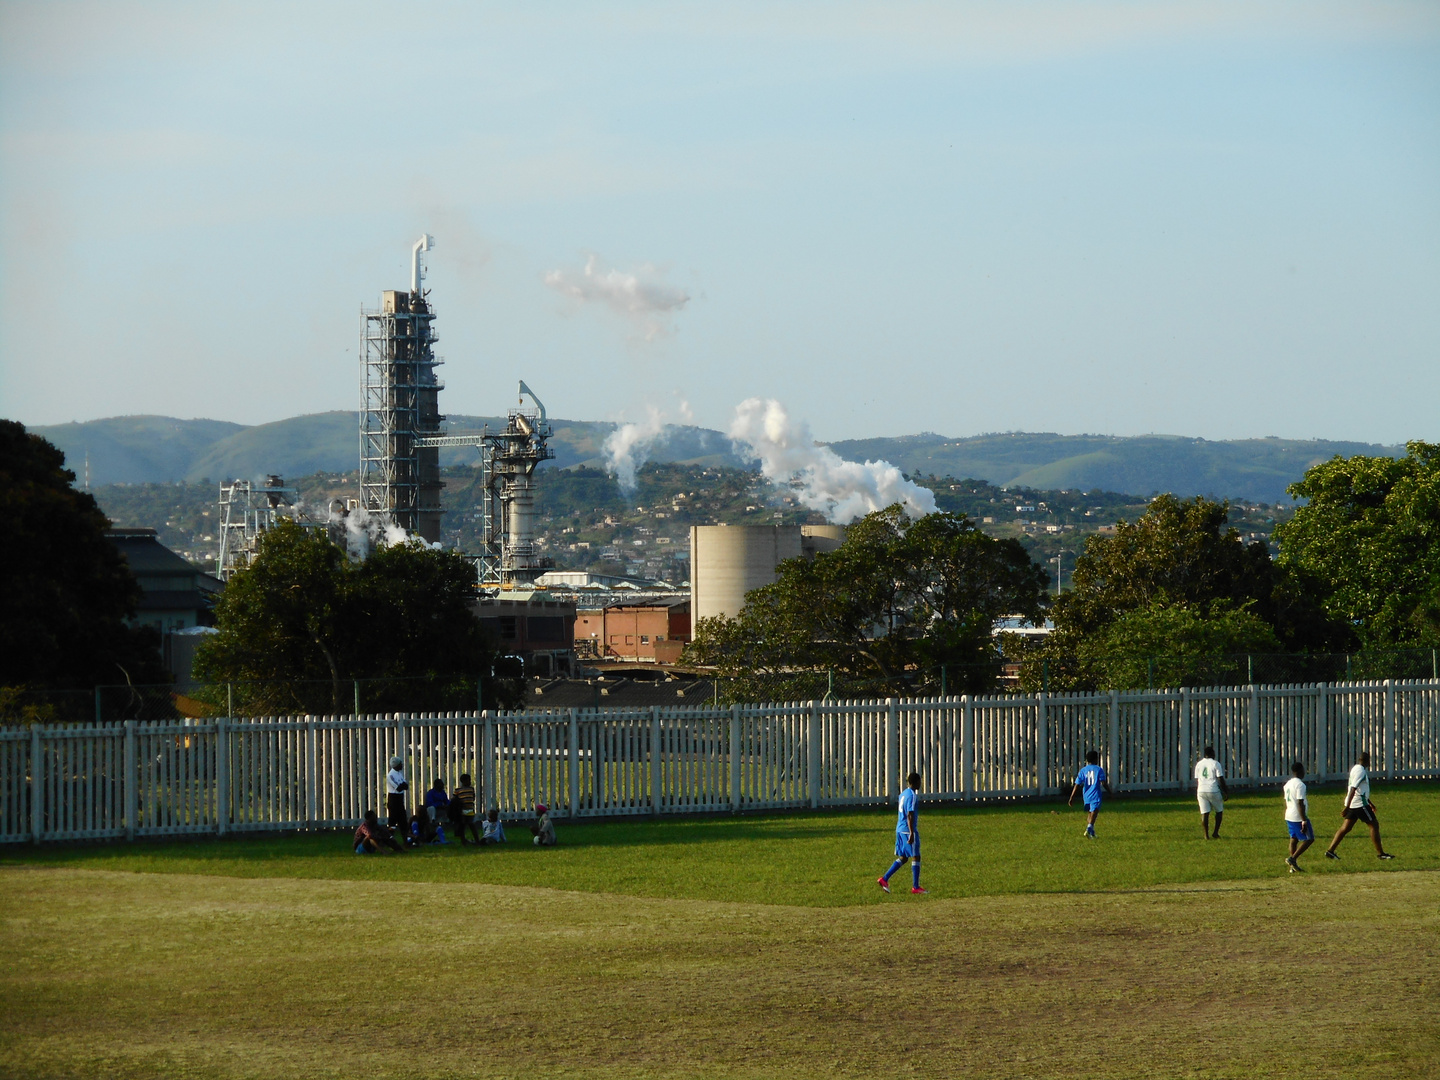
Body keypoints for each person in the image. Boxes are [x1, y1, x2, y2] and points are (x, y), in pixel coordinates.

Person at [1324, 751, 1395, 862]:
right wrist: (1347, 807)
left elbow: (1361, 789)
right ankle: (1381, 854)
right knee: (1374, 825)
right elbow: (1354, 788)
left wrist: (1370, 803)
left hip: (1355, 802)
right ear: (1366, 761)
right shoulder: (1361, 771)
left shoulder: (1355, 769)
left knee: (1345, 828)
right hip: (1359, 804)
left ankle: (1330, 851)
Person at [877, 772, 926, 894]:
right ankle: (915, 887)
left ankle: (884, 879)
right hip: (906, 829)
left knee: (904, 858)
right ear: (916, 782)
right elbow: (910, 814)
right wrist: (911, 832)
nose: (920, 784)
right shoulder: (912, 796)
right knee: (916, 856)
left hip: (899, 828)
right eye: (919, 781)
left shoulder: (903, 794)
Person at [1069, 750, 1110, 838]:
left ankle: (1092, 833)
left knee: (1090, 813)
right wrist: (1110, 792)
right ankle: (1089, 828)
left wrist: (1072, 797)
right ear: (1096, 759)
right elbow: (1103, 782)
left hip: (1086, 795)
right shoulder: (1099, 769)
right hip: (1095, 794)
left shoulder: (1083, 770)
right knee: (1094, 811)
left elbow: (1077, 784)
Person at [1282, 762, 1315, 873]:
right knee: (1309, 839)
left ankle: (1293, 867)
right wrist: (1304, 820)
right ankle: (1293, 858)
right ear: (1301, 771)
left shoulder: (1287, 784)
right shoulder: (1300, 785)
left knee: (1294, 839)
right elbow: (1300, 803)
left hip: (1289, 814)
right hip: (1297, 816)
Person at [1194, 745, 1228, 839]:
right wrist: (1225, 791)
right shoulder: (1215, 763)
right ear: (1212, 754)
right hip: (1213, 790)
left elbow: (1197, 778)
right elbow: (1220, 778)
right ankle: (1215, 833)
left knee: (1205, 813)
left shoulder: (1199, 764)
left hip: (1201, 790)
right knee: (1219, 811)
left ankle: (1206, 835)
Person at [450, 773, 480, 845]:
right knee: (463, 825)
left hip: (469, 809)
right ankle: (465, 841)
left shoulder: (468, 789)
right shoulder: (461, 790)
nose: (469, 782)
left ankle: (476, 840)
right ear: (463, 781)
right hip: (463, 810)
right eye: (468, 780)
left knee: (470, 824)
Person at [385, 756, 409, 833]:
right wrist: (402, 785)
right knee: (392, 821)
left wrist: (402, 785)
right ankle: (390, 838)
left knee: (403, 820)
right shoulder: (390, 775)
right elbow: (399, 788)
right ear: (396, 765)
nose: (402, 765)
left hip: (399, 799)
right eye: (400, 764)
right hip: (393, 799)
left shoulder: (399, 773)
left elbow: (406, 786)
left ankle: (406, 839)